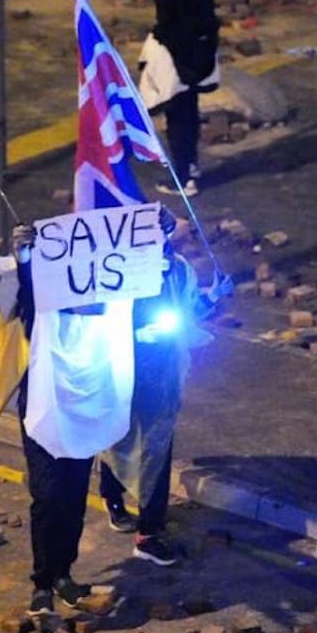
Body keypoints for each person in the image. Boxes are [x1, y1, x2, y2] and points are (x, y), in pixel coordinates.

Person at [9, 224, 129, 617]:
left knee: (74, 496)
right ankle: (42, 581)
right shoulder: (45, 309)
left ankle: (63, 573)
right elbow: (27, 291)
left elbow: (140, 278)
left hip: (83, 413)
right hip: (44, 412)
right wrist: (25, 257)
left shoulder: (108, 313)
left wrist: (156, 237)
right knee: (47, 496)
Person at [99, 209, 218, 566]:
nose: (164, 244)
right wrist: (133, 335)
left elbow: (191, 306)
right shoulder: (117, 270)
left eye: (166, 235)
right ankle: (113, 497)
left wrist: (213, 296)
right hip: (121, 366)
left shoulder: (179, 268)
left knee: (157, 447)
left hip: (162, 369)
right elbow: (95, 318)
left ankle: (148, 532)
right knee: (115, 435)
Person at [136, 0, 225, 198]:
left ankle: (184, 177)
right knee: (191, 103)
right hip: (203, 39)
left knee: (176, 109)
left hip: (172, 40)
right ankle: (191, 164)